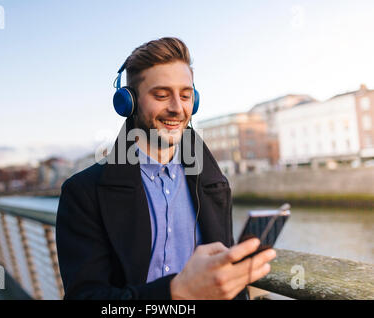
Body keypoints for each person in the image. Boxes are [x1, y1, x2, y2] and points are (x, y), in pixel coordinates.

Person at [56, 37, 276, 300]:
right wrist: (176, 292)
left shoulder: (215, 184)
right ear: (129, 103)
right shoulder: (82, 193)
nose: (177, 108)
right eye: (161, 95)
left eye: (186, 95)